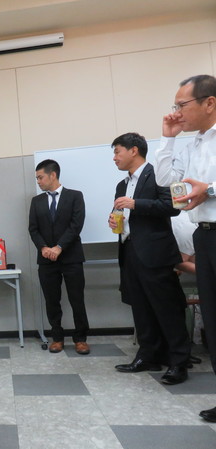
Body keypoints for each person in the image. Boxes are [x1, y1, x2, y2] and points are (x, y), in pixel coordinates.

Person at [153, 74, 216, 418]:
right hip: (203, 236)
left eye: (182, 105)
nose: (176, 111)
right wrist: (168, 138)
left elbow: (207, 188)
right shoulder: (192, 144)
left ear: (209, 103)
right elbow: (165, 180)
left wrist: (211, 189)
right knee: (213, 319)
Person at [109, 132, 190, 385]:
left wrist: (136, 204)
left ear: (134, 150)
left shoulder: (159, 174)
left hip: (155, 253)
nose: (114, 158)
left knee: (167, 309)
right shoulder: (121, 185)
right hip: (130, 250)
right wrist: (114, 220)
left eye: (117, 152)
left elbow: (173, 207)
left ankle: (179, 362)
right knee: (141, 308)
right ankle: (148, 356)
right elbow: (122, 214)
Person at [28, 159, 90, 355]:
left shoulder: (75, 196)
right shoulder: (36, 201)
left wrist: (59, 247)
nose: (38, 181)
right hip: (46, 259)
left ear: (53, 175)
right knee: (51, 300)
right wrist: (44, 247)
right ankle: (57, 337)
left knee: (77, 299)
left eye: (40, 177)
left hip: (71, 257)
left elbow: (76, 224)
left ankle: (81, 339)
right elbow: (33, 229)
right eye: (37, 178)